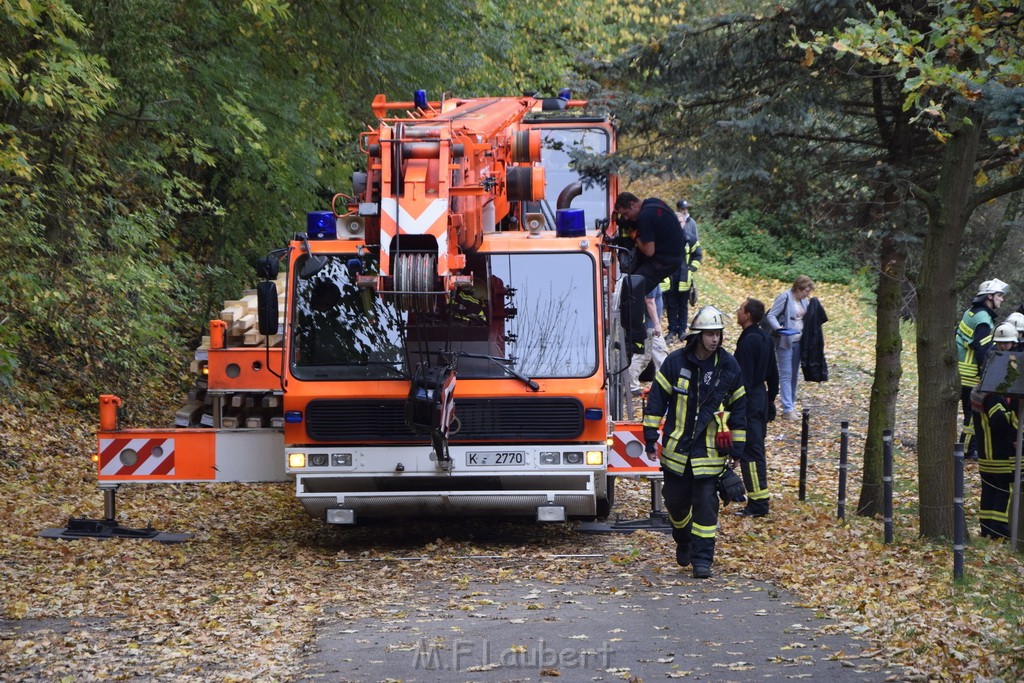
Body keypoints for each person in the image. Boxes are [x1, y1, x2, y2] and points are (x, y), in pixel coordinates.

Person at [643, 305, 747, 579]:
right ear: (697, 336)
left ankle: (703, 560)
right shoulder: (676, 362)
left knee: (705, 505)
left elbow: (740, 408)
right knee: (675, 503)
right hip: (677, 451)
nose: (715, 339)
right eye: (710, 334)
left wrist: (737, 447)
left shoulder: (728, 366)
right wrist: (650, 436)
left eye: (718, 334)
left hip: (710, 453)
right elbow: (656, 401)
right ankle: (683, 538)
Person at [733, 298, 779, 517]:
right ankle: (758, 501)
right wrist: (770, 400)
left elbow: (742, 379)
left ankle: (758, 504)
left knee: (751, 453)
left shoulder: (748, 342)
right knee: (756, 450)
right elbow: (774, 372)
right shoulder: (765, 338)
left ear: (748, 315)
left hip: (750, 402)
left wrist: (737, 407)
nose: (737, 312)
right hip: (760, 399)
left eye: (740, 309)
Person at [974, 322, 1019, 539]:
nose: (1004, 348)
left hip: (987, 452)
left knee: (990, 490)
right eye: (1001, 344)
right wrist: (1016, 418)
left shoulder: (986, 382)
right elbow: (999, 421)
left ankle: (988, 529)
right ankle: (1000, 532)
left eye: (1007, 344)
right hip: (998, 454)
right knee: (1003, 491)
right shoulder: (993, 391)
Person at [955, 279, 1009, 459]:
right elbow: (983, 350)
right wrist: (988, 375)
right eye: (999, 296)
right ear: (989, 296)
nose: (1001, 299)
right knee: (972, 415)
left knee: (969, 413)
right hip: (970, 375)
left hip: (961, 372)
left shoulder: (971, 313)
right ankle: (969, 450)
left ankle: (965, 448)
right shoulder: (984, 320)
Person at [614, 192, 685, 296]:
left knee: (632, 289)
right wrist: (623, 223)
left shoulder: (644, 217)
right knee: (635, 283)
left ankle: (633, 311)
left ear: (633, 204)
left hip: (665, 260)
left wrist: (636, 237)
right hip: (675, 255)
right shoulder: (653, 202)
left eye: (625, 214)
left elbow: (649, 251)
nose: (626, 217)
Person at [766, 276, 815, 420]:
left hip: (799, 342)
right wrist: (778, 328)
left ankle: (791, 405)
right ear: (798, 288)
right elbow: (771, 315)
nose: (808, 294)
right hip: (785, 341)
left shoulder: (804, 301)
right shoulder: (785, 297)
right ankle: (787, 409)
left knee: (794, 374)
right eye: (806, 290)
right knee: (786, 374)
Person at [662, 200, 702, 344]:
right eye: (676, 222)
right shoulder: (665, 238)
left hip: (685, 277)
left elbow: (697, 255)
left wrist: (691, 269)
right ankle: (672, 330)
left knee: (682, 305)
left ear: (685, 223)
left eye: (681, 222)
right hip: (670, 277)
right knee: (671, 304)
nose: (679, 225)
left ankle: (682, 331)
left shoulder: (690, 239)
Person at [628, 287, 669, 397]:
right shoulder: (652, 281)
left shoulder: (652, 279)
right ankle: (666, 384)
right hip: (650, 327)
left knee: (644, 356)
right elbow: (649, 302)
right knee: (661, 356)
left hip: (649, 326)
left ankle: (632, 386)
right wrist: (656, 324)